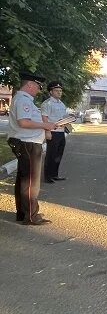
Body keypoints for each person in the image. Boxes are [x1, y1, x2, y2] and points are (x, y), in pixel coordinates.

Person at [7, 72, 57, 225]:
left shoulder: (23, 99)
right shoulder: (23, 100)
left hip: (27, 142)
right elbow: (24, 122)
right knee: (30, 181)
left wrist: (45, 128)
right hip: (27, 143)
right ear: (29, 85)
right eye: (37, 86)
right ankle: (31, 216)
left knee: (24, 179)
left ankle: (23, 213)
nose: (38, 89)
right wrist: (45, 125)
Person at [41, 80, 69, 183]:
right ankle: (48, 177)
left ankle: (55, 174)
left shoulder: (61, 104)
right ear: (51, 92)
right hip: (52, 132)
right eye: (56, 91)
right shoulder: (47, 103)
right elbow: (44, 118)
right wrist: (47, 132)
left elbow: (62, 118)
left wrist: (67, 122)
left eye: (60, 91)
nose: (59, 92)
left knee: (58, 154)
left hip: (61, 132)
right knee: (51, 155)